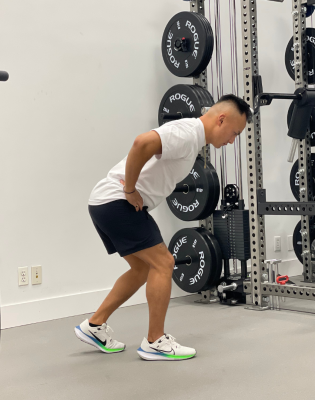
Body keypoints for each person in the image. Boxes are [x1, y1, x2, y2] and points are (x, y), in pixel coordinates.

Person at [74, 94, 251, 361]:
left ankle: (95, 325)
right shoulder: (188, 132)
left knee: (143, 268)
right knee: (164, 263)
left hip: (105, 203)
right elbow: (141, 143)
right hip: (117, 202)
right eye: (234, 133)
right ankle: (155, 341)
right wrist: (130, 189)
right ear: (221, 119)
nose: (231, 140)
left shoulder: (193, 139)